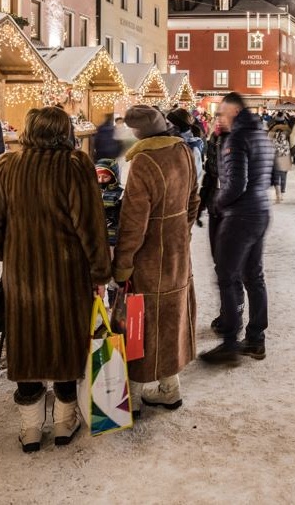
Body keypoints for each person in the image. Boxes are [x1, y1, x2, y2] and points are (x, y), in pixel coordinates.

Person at [0, 107, 110, 452]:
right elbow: (91, 228)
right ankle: (64, 422)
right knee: (67, 344)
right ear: (64, 132)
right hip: (68, 276)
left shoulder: (8, 166)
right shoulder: (76, 166)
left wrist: (12, 254)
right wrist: (99, 272)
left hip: (23, 278)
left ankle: (31, 428)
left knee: (28, 345)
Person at [113, 105, 200, 413]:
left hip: (149, 257)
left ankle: (133, 397)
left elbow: (134, 223)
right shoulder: (183, 152)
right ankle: (170, 387)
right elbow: (194, 199)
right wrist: (183, 231)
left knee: (139, 322)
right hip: (177, 251)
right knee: (171, 317)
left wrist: (122, 264)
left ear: (137, 133)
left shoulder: (143, 162)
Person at [199, 92, 274, 365]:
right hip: (260, 211)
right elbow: (272, 174)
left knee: (227, 276)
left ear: (232, 112)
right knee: (254, 276)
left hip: (240, 215)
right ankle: (256, 339)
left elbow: (235, 184)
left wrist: (217, 203)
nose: (218, 118)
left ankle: (230, 341)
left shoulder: (237, 139)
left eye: (221, 113)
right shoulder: (261, 135)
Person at [199, 115, 242, 327]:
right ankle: (228, 312)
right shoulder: (214, 140)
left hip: (234, 210)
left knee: (231, 266)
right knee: (221, 264)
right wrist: (202, 203)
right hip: (216, 206)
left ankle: (233, 315)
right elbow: (209, 173)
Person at [167, 108, 204, 184]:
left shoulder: (192, 146)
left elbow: (195, 178)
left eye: (168, 124)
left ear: (177, 127)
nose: (166, 127)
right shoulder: (174, 141)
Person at [96, 159, 123, 247]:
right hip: (96, 236)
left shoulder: (120, 193)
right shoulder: (92, 191)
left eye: (105, 177)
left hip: (113, 237)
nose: (101, 180)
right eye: (98, 177)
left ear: (113, 177)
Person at [267, 112, 292, 202]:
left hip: (274, 154)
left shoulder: (271, 129)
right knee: (284, 175)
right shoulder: (288, 129)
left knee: (276, 175)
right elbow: (292, 141)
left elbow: (268, 141)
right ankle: (283, 193)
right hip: (285, 153)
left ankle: (278, 195)